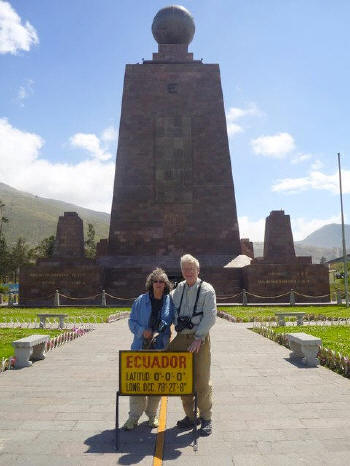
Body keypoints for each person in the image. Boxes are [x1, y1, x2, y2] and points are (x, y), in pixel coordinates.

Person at [167, 254, 216, 436]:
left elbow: (210, 316)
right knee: (183, 378)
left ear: (198, 270)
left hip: (199, 338)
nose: (188, 272)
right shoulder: (177, 290)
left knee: (202, 379)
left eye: (191, 269)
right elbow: (168, 310)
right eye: (185, 269)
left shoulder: (207, 290)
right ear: (182, 271)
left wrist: (199, 337)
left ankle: (206, 418)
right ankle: (190, 416)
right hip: (181, 337)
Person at [123, 268, 174, 431]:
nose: (158, 284)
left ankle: (152, 415)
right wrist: (142, 331)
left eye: (161, 282)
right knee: (138, 382)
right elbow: (131, 321)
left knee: (156, 382)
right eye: (156, 281)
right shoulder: (140, 300)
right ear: (151, 283)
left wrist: (165, 331)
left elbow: (173, 320)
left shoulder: (169, 301)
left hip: (160, 347)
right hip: (141, 345)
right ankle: (133, 417)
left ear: (165, 284)